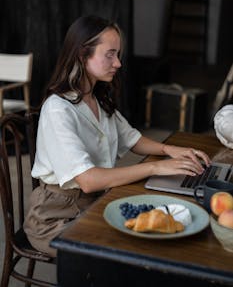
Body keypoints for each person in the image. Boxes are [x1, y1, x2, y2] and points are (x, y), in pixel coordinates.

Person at [24, 15, 211, 257]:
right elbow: (89, 180)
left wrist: (169, 150)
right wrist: (156, 169)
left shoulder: (97, 99)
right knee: (133, 249)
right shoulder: (58, 109)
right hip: (56, 215)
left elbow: (132, 139)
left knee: (159, 229)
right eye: (110, 54)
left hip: (94, 203)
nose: (118, 63)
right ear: (82, 55)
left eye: (118, 54)